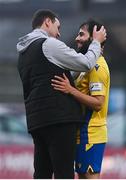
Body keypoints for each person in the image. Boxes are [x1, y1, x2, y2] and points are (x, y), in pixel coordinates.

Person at [17, 9, 106, 179]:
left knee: (41, 173)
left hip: (37, 121)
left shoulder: (23, 52)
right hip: (59, 120)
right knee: (63, 173)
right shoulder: (49, 44)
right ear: (47, 22)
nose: (58, 34)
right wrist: (96, 42)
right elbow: (86, 63)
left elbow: (48, 76)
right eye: (58, 27)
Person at [51, 19, 110, 179]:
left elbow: (98, 103)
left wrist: (70, 90)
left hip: (91, 133)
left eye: (81, 34)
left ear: (93, 39)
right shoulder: (86, 66)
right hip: (82, 132)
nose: (77, 38)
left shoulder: (97, 67)